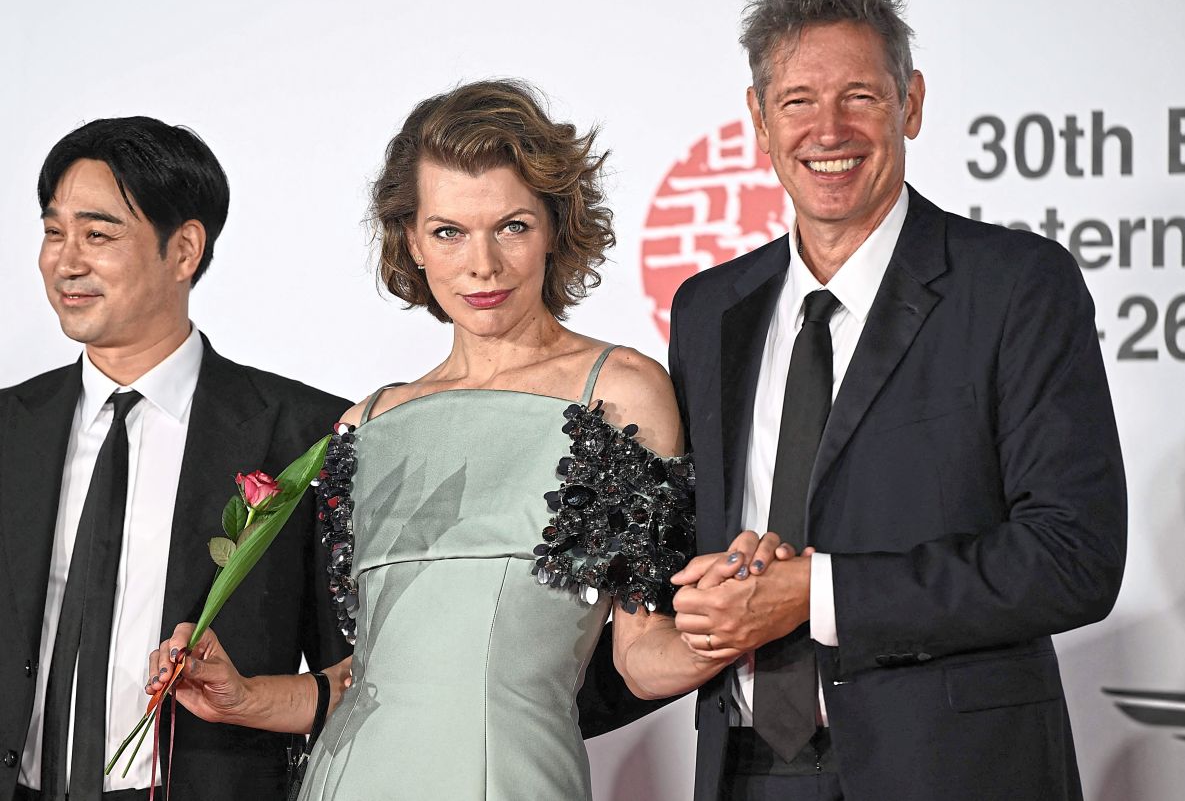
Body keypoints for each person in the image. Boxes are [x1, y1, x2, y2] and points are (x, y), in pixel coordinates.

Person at [145, 80, 766, 800]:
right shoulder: (365, 424)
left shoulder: (618, 390)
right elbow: (367, 677)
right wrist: (243, 695)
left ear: (556, 226)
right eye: (448, 232)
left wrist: (740, 615)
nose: (483, 265)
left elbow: (639, 656)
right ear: (411, 239)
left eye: (512, 226)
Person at [667, 0, 1127, 801]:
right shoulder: (709, 310)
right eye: (798, 100)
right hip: (745, 768)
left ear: (910, 102)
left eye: (861, 97)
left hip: (952, 770)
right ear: (760, 122)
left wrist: (817, 593)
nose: (828, 129)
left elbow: (1073, 555)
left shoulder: (1015, 285)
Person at [0, 117, 353, 801]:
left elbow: (359, 674)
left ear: (185, 248)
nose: (65, 261)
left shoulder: (303, 435)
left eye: (97, 235)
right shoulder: (10, 429)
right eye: (53, 232)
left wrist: (250, 696)